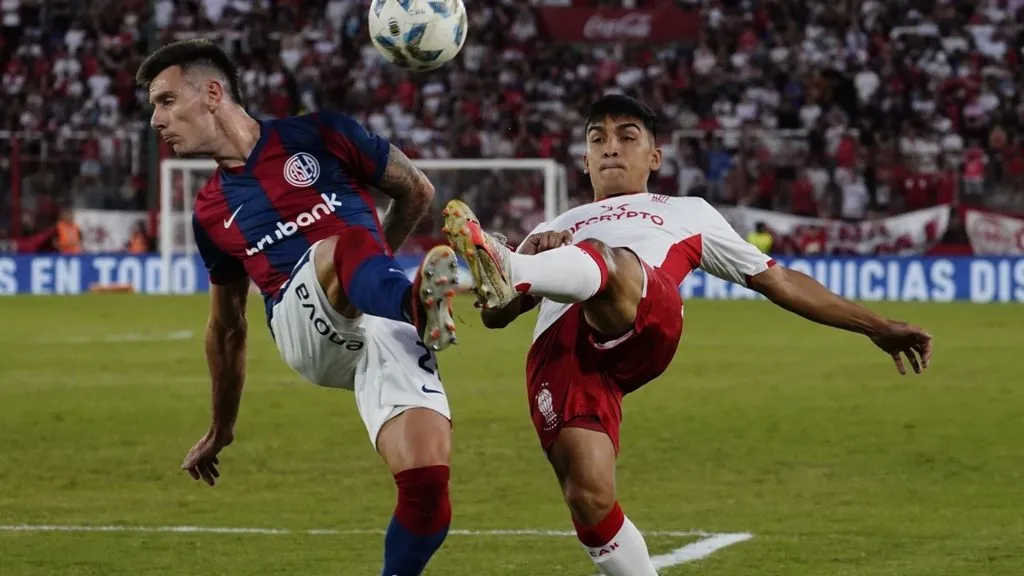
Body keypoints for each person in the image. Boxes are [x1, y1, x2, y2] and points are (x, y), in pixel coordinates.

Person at [442, 94, 933, 576]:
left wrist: (877, 326)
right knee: (588, 498)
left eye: (627, 137)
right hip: (567, 353)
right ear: (585, 160)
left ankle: (512, 264)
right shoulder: (556, 224)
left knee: (599, 255)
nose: (611, 147)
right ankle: (514, 266)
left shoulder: (687, 212)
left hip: (644, 316)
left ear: (653, 157)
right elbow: (496, 315)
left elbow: (779, 280)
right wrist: (531, 260)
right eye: (598, 139)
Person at [136, 39, 457, 576]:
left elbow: (417, 191)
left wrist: (368, 278)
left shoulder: (324, 134)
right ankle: (412, 303)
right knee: (348, 244)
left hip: (375, 311)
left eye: (166, 101)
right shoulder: (210, 212)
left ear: (212, 93)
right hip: (303, 326)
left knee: (428, 489)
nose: (155, 120)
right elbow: (227, 327)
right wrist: (221, 427)